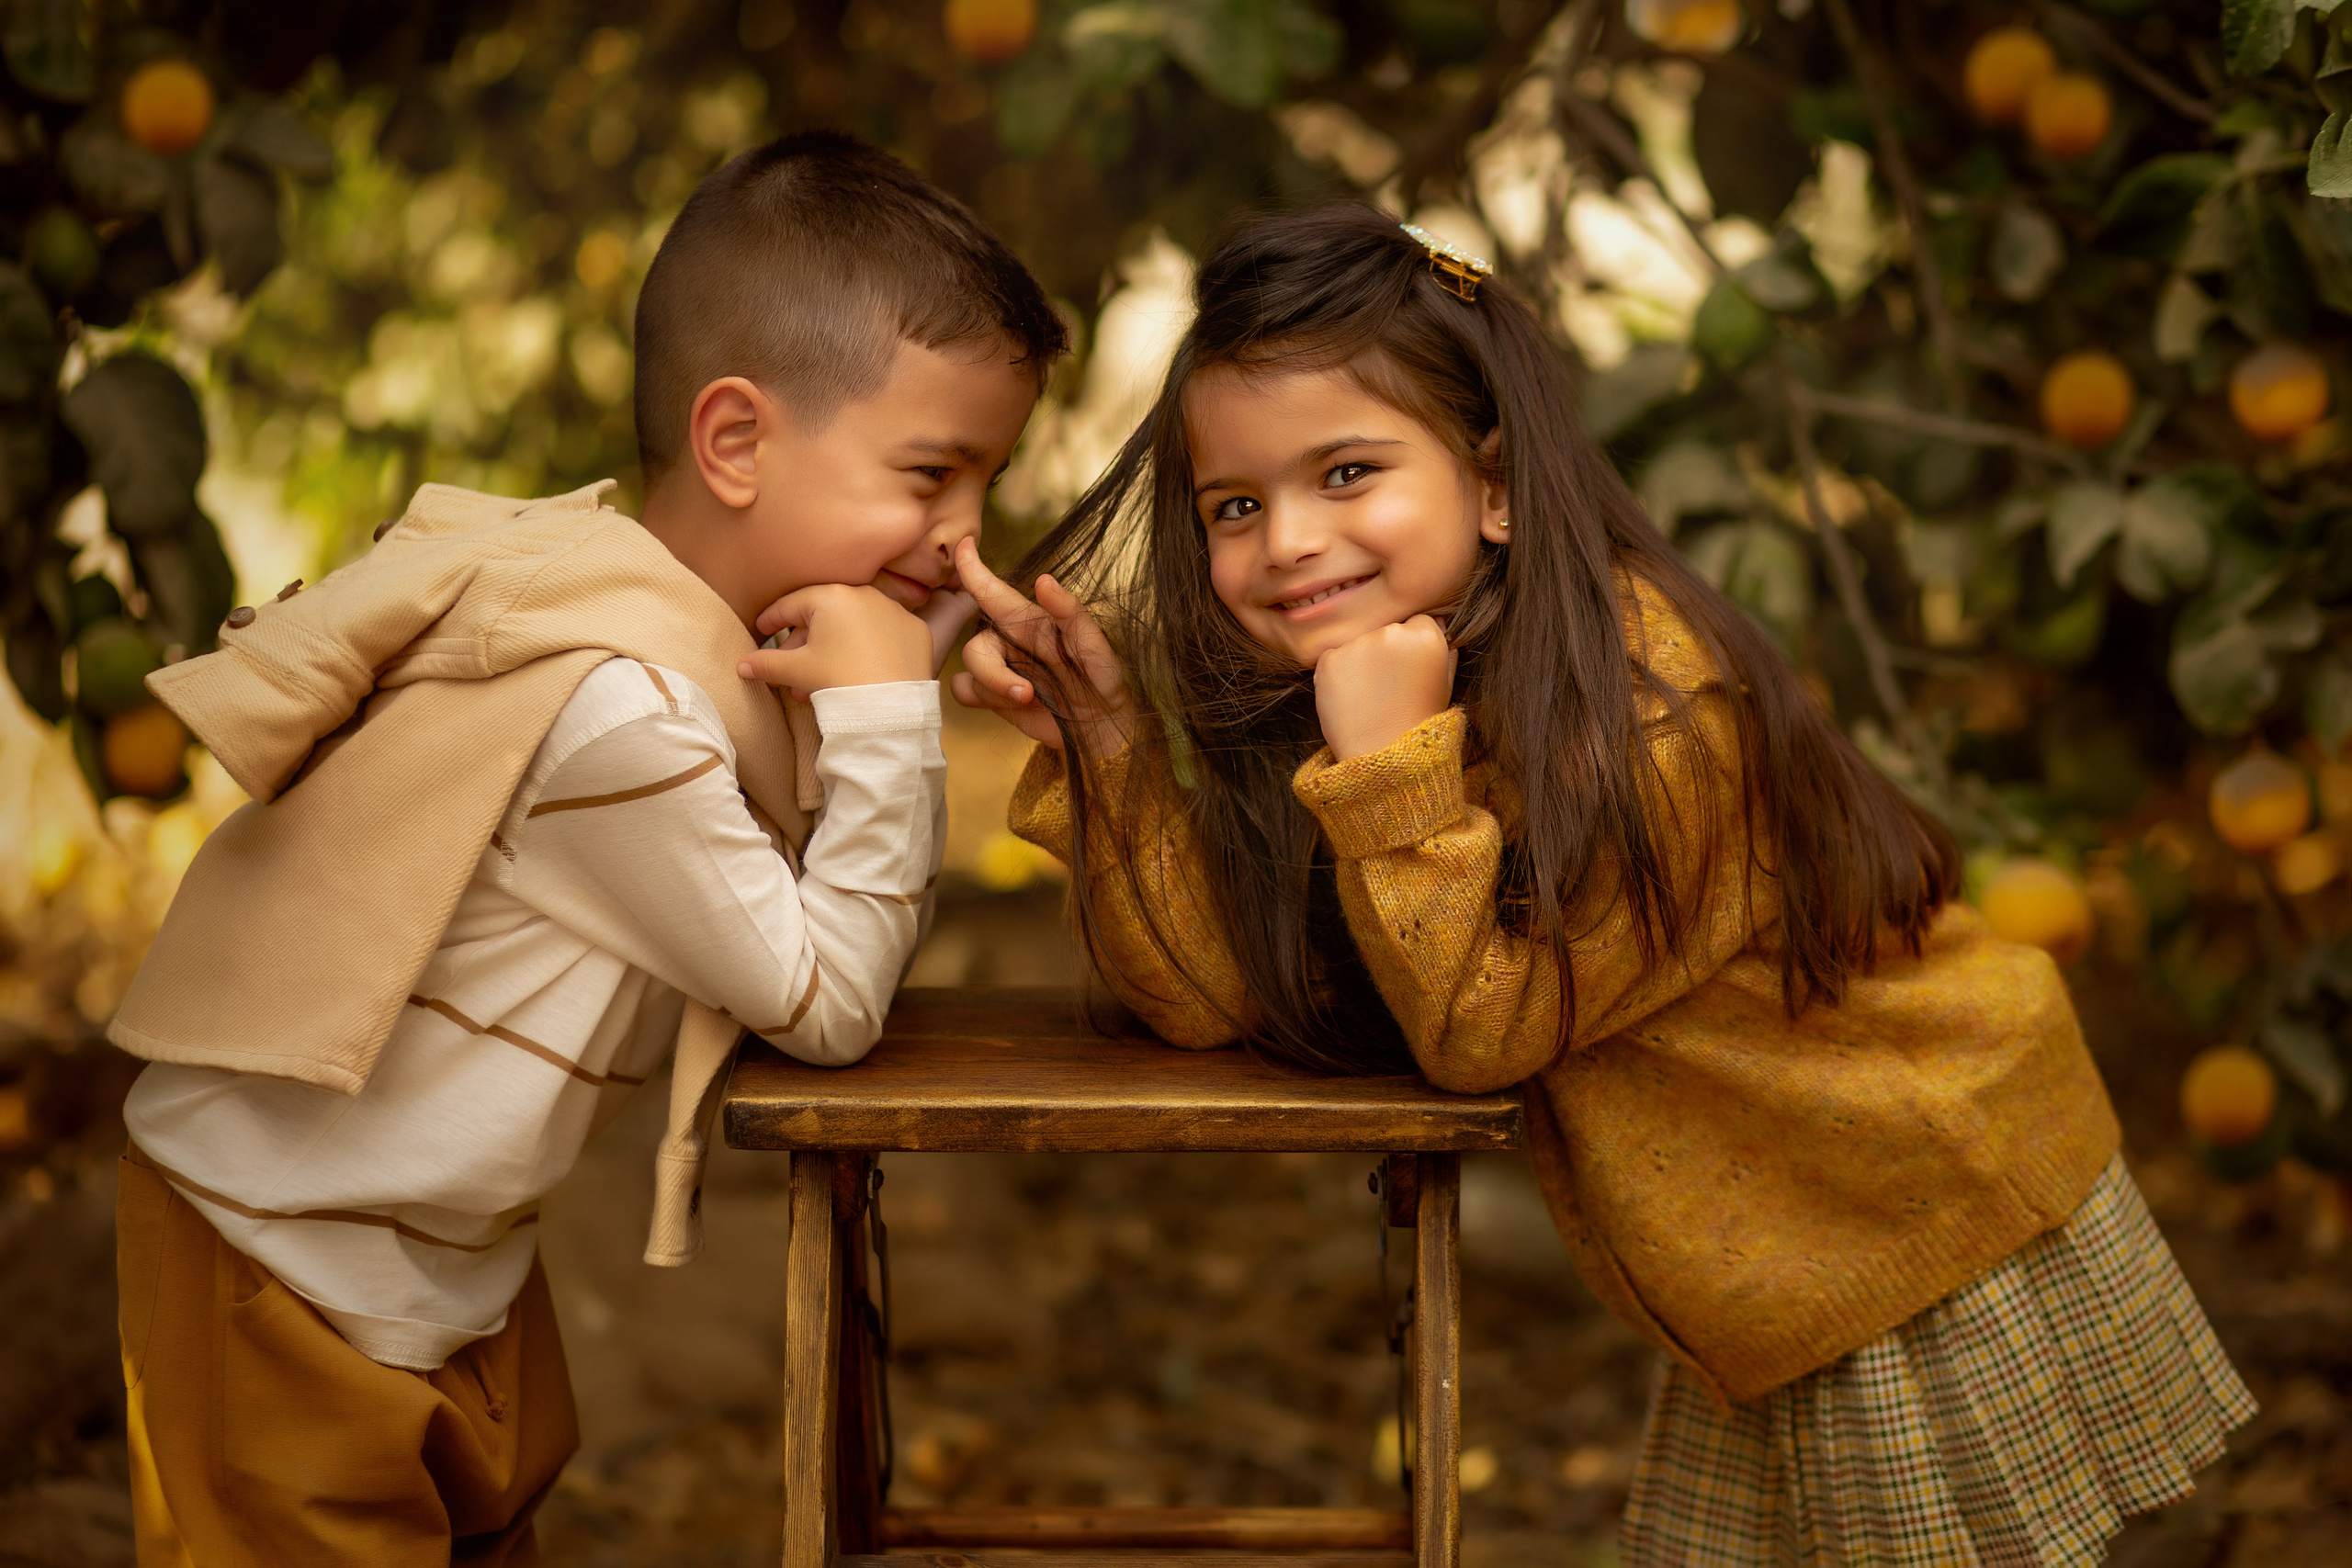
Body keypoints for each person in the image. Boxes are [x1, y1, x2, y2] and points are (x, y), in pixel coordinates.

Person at [952, 203, 2253, 1564]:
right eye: (1236, 505)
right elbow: (1208, 1001)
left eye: (1345, 472)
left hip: (1916, 1201)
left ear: (1497, 486)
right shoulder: (1392, 677)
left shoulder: (1648, 703)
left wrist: (1390, 767)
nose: (1285, 540)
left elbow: (1485, 1034)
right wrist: (1109, 746)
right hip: (1770, 1255)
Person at [107, 130, 1063, 1564]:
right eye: (932, 475)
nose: (963, 541)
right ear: (735, 442)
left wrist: (894, 688)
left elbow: (798, 899)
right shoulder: (616, 709)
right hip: (280, 1252)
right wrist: (887, 718)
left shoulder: (675, 651)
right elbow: (827, 1006)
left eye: (985, 485)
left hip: (434, 1260)